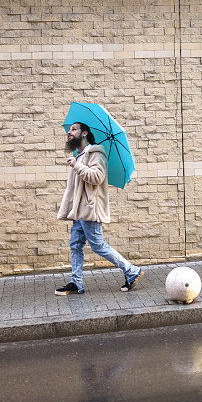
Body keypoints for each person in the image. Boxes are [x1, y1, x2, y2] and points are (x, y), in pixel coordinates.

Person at [55, 122, 143, 295]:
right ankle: (76, 283)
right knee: (75, 245)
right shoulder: (79, 155)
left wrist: (76, 166)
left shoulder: (96, 153)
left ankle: (132, 271)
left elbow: (97, 177)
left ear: (85, 133)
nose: (69, 132)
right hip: (79, 211)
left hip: (90, 209)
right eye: (69, 130)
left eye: (74, 129)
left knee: (98, 245)